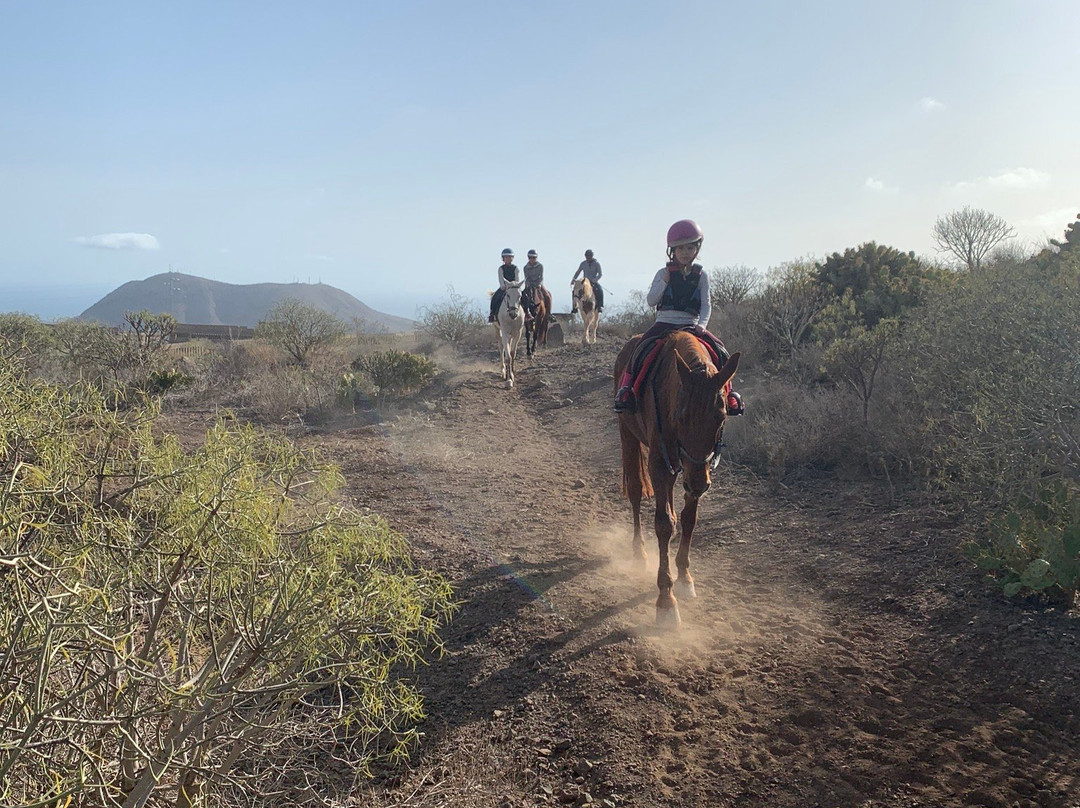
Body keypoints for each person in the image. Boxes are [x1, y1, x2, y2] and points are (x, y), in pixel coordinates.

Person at [613, 219, 743, 415]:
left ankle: (729, 393)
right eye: (680, 248)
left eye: (690, 248)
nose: (685, 252)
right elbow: (651, 300)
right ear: (672, 250)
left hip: (691, 325)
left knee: (720, 350)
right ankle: (627, 389)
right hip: (664, 323)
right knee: (639, 349)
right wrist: (664, 282)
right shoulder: (663, 273)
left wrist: (702, 325)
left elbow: (706, 305)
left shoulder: (702, 276)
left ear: (696, 249)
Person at [489, 248, 523, 323]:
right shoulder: (501, 268)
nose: (508, 259)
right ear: (503, 259)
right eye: (506, 257)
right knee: (495, 297)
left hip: (514, 288)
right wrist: (503, 286)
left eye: (510, 257)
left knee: (524, 297)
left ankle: (526, 313)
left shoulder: (515, 268)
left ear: (512, 258)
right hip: (504, 287)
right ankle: (492, 314)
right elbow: (501, 278)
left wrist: (514, 286)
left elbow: (517, 279)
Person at [571, 249, 604, 313]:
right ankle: (575, 307)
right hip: (584, 281)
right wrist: (573, 280)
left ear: (592, 256)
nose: (588, 257)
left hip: (593, 281)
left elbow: (600, 274)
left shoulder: (597, 264)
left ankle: (599, 306)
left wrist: (595, 279)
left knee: (600, 290)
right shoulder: (583, 263)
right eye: (586, 256)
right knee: (575, 291)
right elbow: (578, 272)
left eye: (589, 256)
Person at [522, 249, 546, 319]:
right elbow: (526, 277)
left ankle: (548, 313)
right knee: (522, 295)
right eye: (530, 257)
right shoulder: (525, 267)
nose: (532, 259)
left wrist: (539, 284)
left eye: (533, 258)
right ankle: (524, 311)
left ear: (536, 258)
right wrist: (528, 285)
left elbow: (541, 276)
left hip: (538, 284)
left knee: (547, 295)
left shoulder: (540, 266)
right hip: (530, 285)